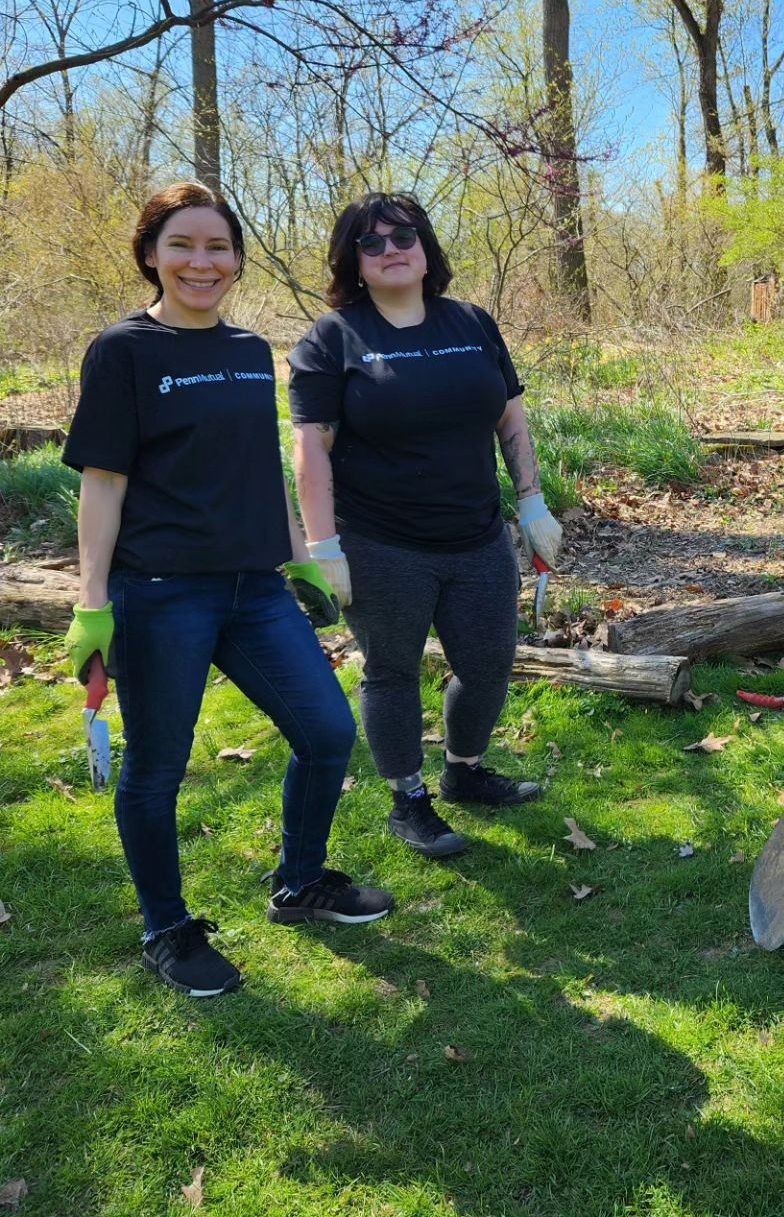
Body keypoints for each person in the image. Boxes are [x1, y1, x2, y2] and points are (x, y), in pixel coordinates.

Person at [61, 182, 394, 999]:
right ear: (151, 254)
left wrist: (301, 557)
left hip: (254, 590)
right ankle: (166, 928)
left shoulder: (250, 351)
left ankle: (301, 881)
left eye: (218, 247)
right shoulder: (123, 351)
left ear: (238, 259)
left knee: (325, 732)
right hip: (159, 592)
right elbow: (102, 483)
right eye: (183, 245)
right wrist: (92, 602)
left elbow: (261, 470)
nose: (201, 263)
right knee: (156, 769)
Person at [287, 193, 562, 860]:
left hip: (476, 535)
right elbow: (311, 449)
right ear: (352, 260)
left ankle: (464, 771)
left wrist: (532, 502)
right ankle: (408, 799)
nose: (391, 250)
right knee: (392, 672)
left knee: (490, 665)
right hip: (380, 542)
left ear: (426, 244)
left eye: (403, 235)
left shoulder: (471, 322)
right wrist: (322, 547)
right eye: (371, 243)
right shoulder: (334, 337)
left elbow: (511, 418)